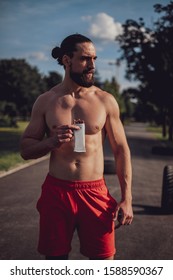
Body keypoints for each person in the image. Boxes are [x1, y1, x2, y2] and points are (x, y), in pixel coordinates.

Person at [20, 34, 133, 260]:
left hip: (95, 193)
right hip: (57, 192)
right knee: (55, 264)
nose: (92, 65)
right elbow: (26, 149)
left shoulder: (105, 100)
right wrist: (51, 141)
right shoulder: (46, 100)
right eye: (85, 59)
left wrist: (127, 198)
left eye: (94, 59)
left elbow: (121, 150)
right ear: (66, 60)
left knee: (102, 262)